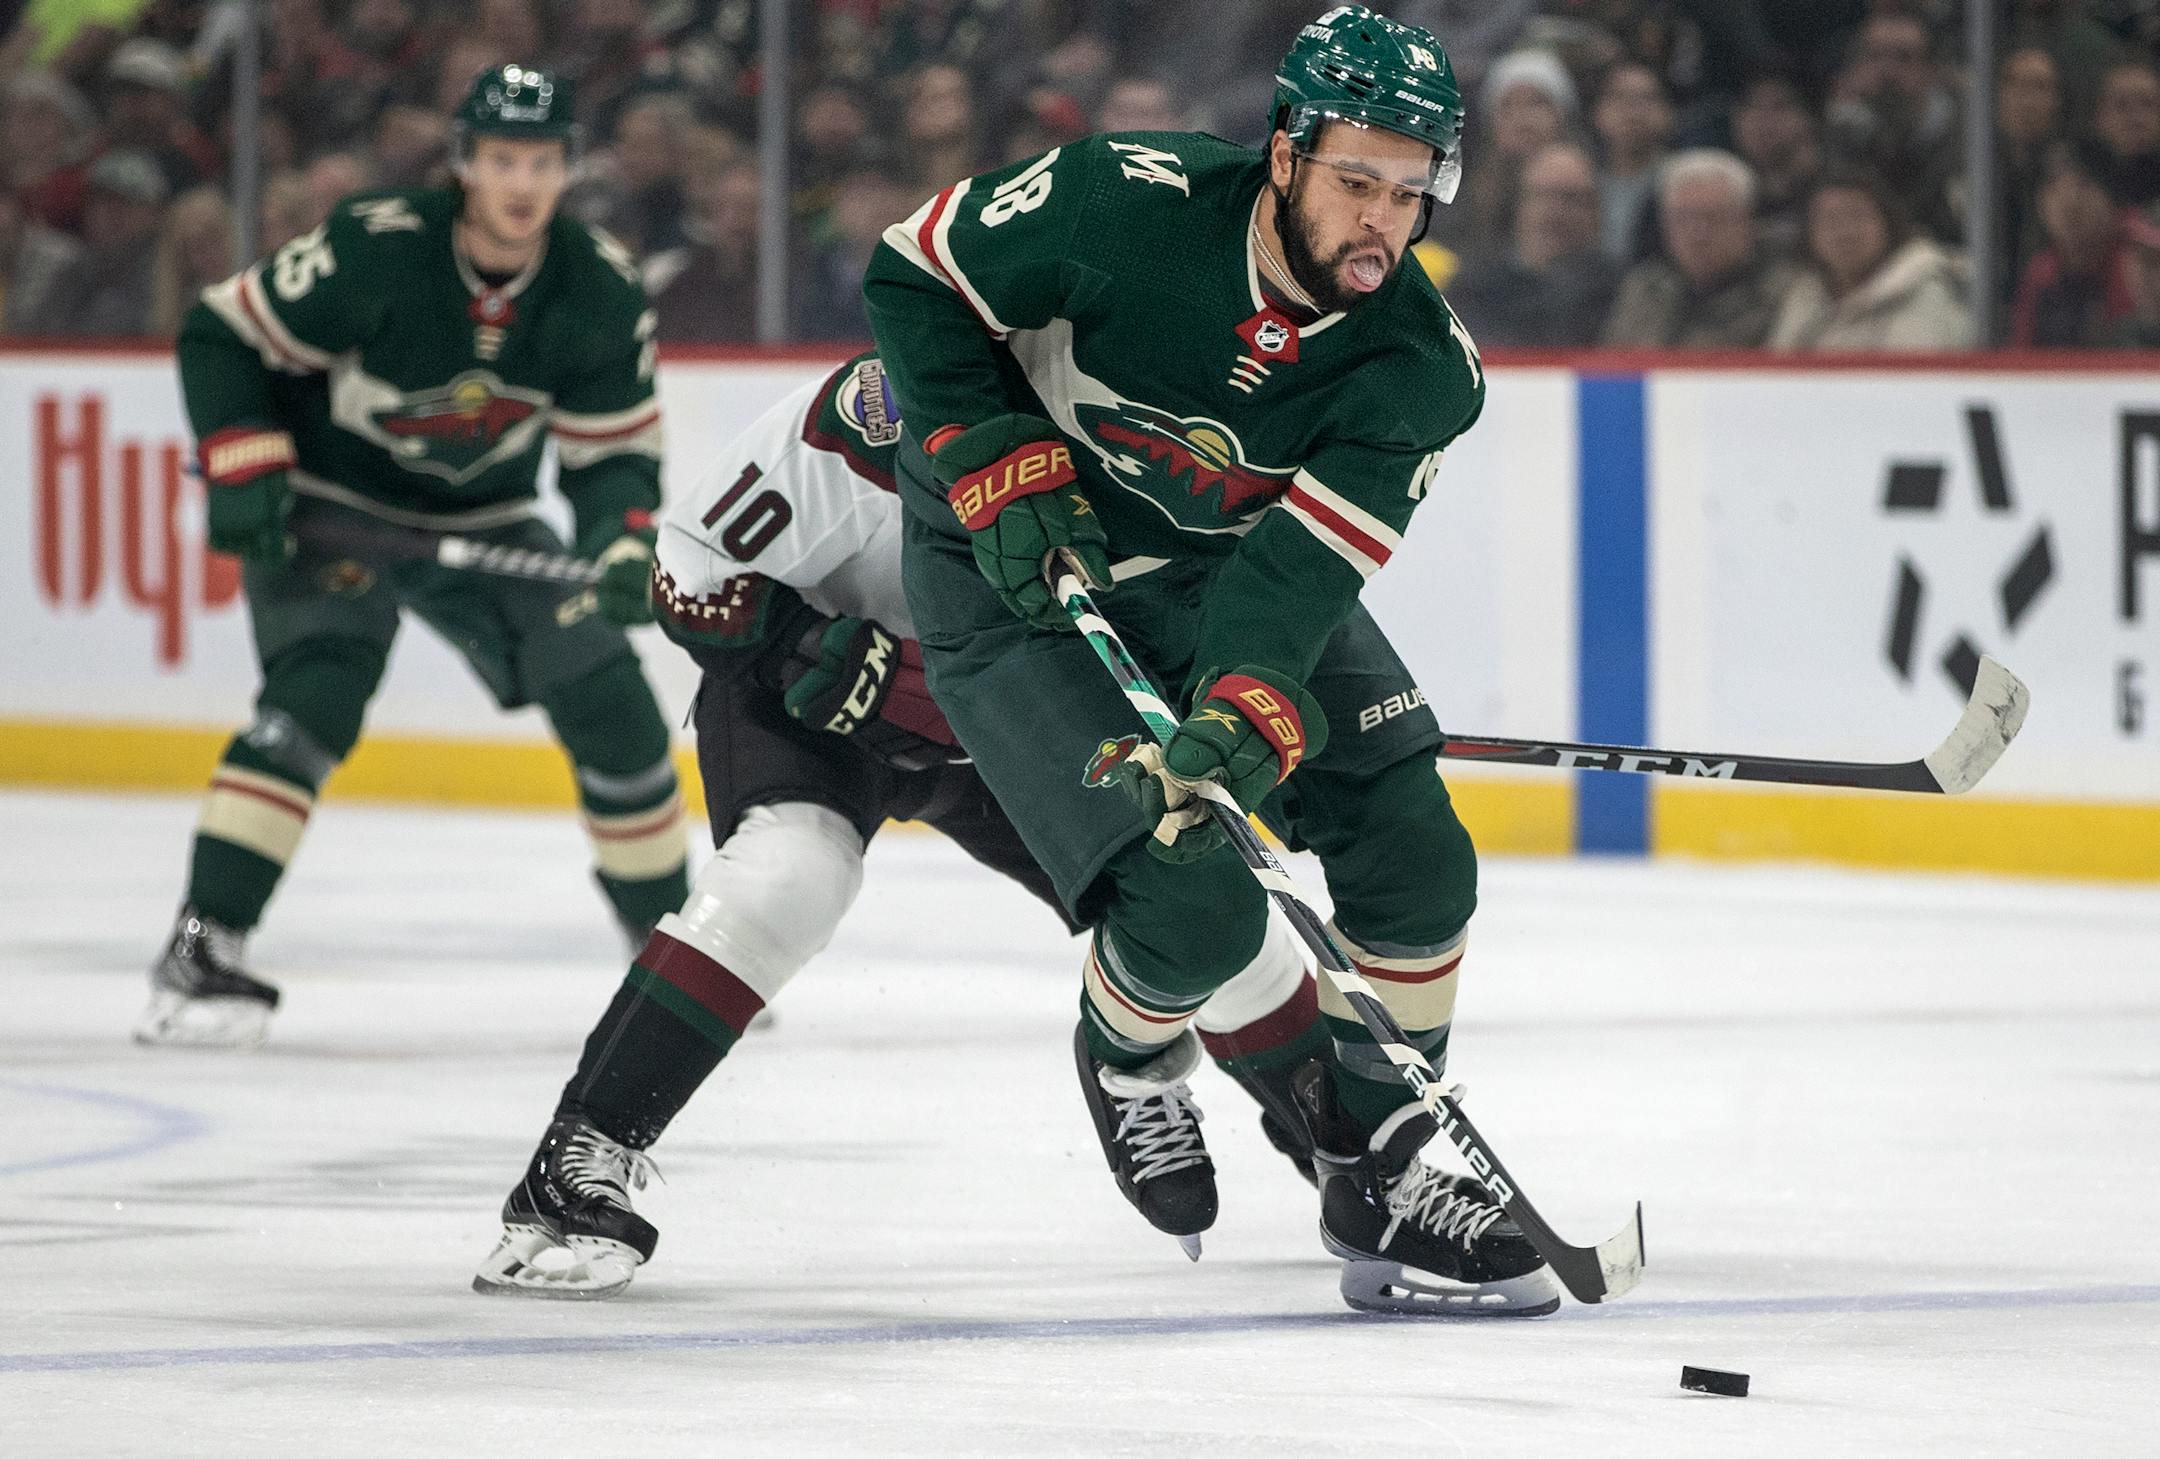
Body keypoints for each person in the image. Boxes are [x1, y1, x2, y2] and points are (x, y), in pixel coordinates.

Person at [865, 6, 1561, 1317]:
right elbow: (912, 274)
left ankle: (1382, 1160)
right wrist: (990, 465)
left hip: (1214, 573)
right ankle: (1128, 1054)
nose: (1383, 222)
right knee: (1196, 901)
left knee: (1414, 843)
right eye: (1359, 179)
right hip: (1016, 577)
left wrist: (1250, 699)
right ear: (1286, 152)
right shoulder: (1121, 202)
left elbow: (1296, 572)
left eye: (1412, 194)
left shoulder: (1419, 366)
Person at [471, 353, 1337, 1297]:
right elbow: (690, 575)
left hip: (1010, 707)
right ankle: (577, 1158)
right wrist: (811, 648)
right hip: (820, 707)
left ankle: (1356, 1156)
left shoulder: (1164, 418)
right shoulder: (876, 416)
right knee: (791, 875)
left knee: (1206, 903)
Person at [137, 65, 689, 1046]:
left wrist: (620, 540)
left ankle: (675, 951)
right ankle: (204, 938)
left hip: (485, 519)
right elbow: (220, 328)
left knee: (611, 697)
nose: (522, 183)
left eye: (543, 161)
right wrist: (243, 451)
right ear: (464, 163)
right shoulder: (375, 246)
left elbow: (612, 459)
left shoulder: (599, 288)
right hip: (333, 506)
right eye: (503, 160)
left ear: (568, 170)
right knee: (318, 691)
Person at [1601, 148, 1796, 348]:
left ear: (1745, 222)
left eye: (1712, 217)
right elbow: (1615, 365)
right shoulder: (1645, 289)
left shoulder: (1785, 295)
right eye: (1683, 218)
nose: (1697, 233)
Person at [1767, 169, 1971, 352]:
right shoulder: (1804, 297)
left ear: (1887, 224)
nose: (1844, 232)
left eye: (1857, 216)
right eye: (1830, 219)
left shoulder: (1926, 294)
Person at [1447, 139, 1619, 346]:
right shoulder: (1476, 287)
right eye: (1544, 195)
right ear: (1520, 203)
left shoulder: (1620, 290)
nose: (1556, 212)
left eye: (1571, 198)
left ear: (1595, 210)